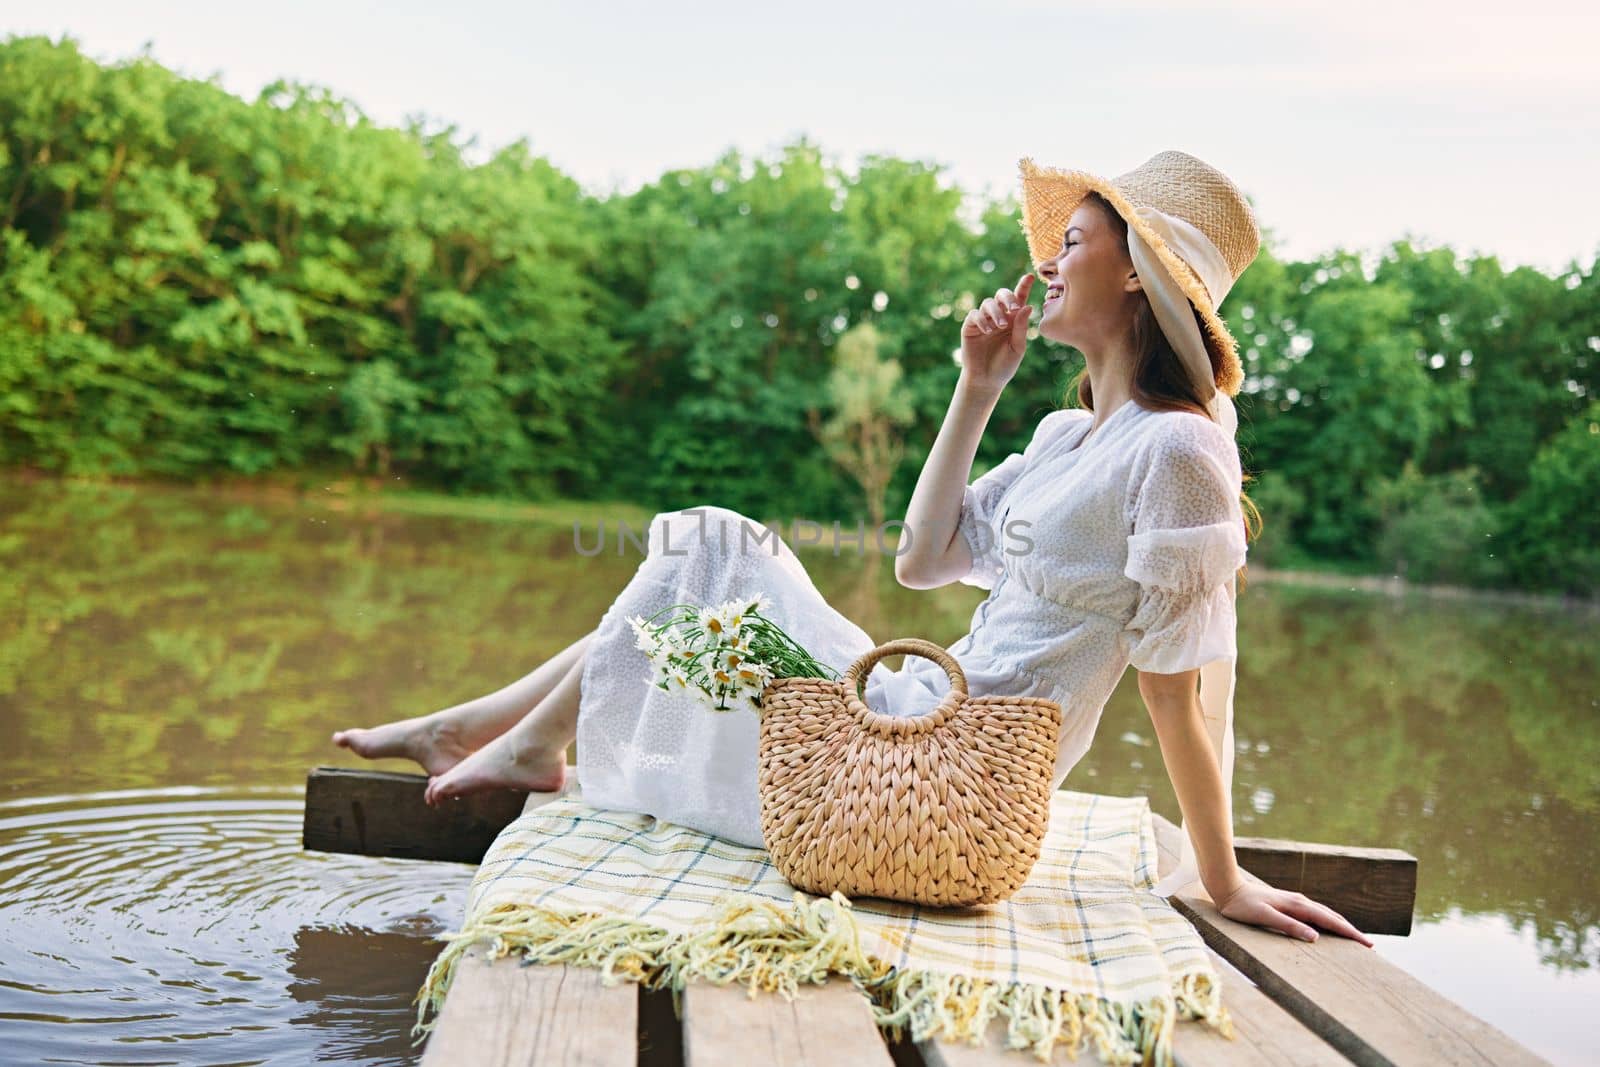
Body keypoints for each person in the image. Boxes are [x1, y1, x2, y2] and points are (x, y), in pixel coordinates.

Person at [333, 150, 1373, 947]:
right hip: (917, 713)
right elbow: (923, 560)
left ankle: (510, 738)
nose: (1044, 260)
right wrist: (978, 387)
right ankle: (507, 736)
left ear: (1140, 274)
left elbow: (1173, 688)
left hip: (959, 776)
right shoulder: (1066, 437)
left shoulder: (1178, 448)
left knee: (714, 545)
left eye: (1074, 241)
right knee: (705, 551)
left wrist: (1221, 873)